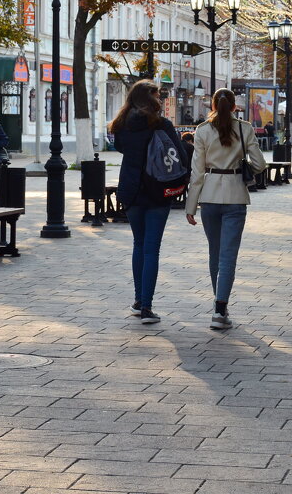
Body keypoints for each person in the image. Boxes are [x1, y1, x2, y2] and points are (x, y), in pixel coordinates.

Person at [185, 88, 267, 329]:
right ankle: (220, 308)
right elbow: (260, 163)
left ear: (212, 105)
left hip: (209, 197)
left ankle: (219, 304)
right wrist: (244, 166)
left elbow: (196, 173)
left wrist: (191, 206)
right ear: (234, 107)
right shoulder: (244, 128)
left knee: (215, 252)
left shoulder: (202, 131)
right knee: (228, 255)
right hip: (235, 196)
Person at [110, 79, 187, 325]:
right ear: (150, 98)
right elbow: (180, 155)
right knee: (152, 248)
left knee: (138, 244)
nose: (161, 98)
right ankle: (147, 307)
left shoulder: (121, 125)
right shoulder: (161, 124)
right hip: (157, 190)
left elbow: (122, 149)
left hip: (131, 190)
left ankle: (137, 300)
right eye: (158, 94)